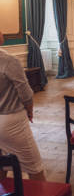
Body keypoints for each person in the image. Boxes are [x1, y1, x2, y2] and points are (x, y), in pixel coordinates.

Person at [0, 30, 45, 181]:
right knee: (35, 167)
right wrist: (30, 111)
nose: (2, 31)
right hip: (11, 121)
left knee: (2, 164)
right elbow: (26, 94)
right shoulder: (9, 60)